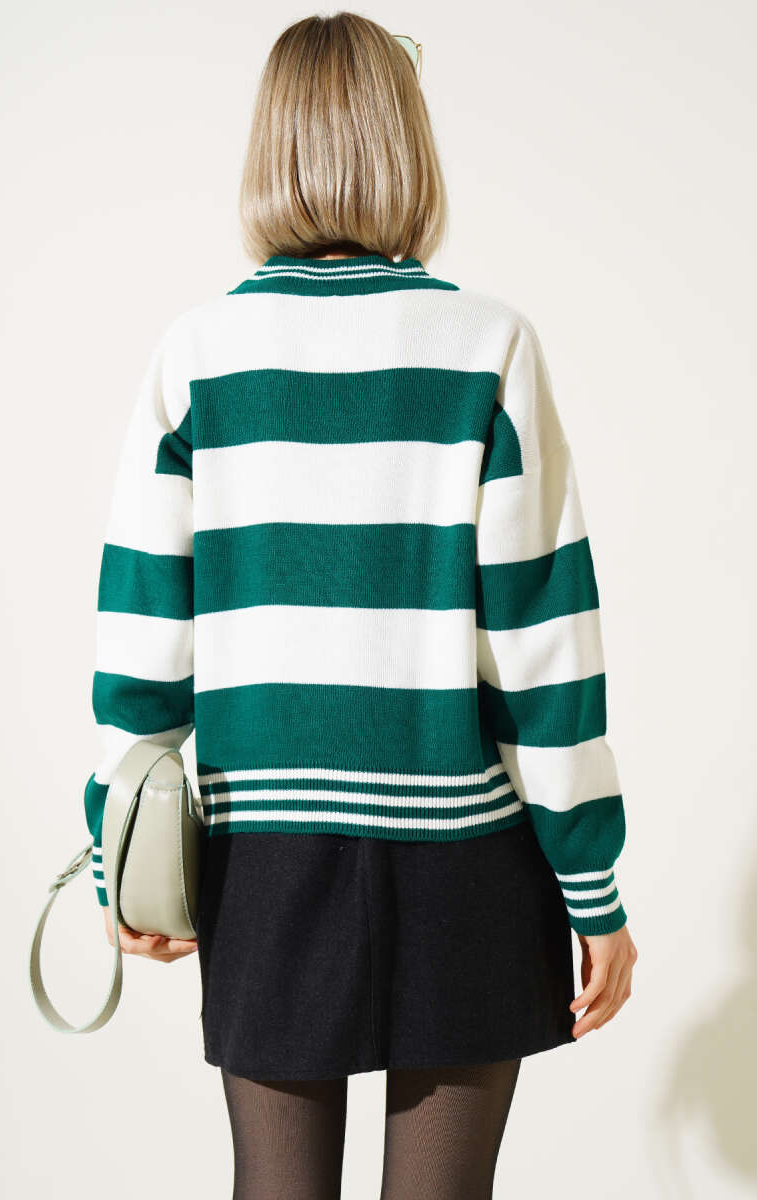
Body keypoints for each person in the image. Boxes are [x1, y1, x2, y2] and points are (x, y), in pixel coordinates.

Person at [84, 12, 638, 1198]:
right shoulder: (487, 345)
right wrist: (590, 884)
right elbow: (543, 647)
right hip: (467, 854)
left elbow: (142, 641)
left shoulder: (196, 354)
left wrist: (115, 850)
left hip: (263, 854)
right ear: (407, 144)